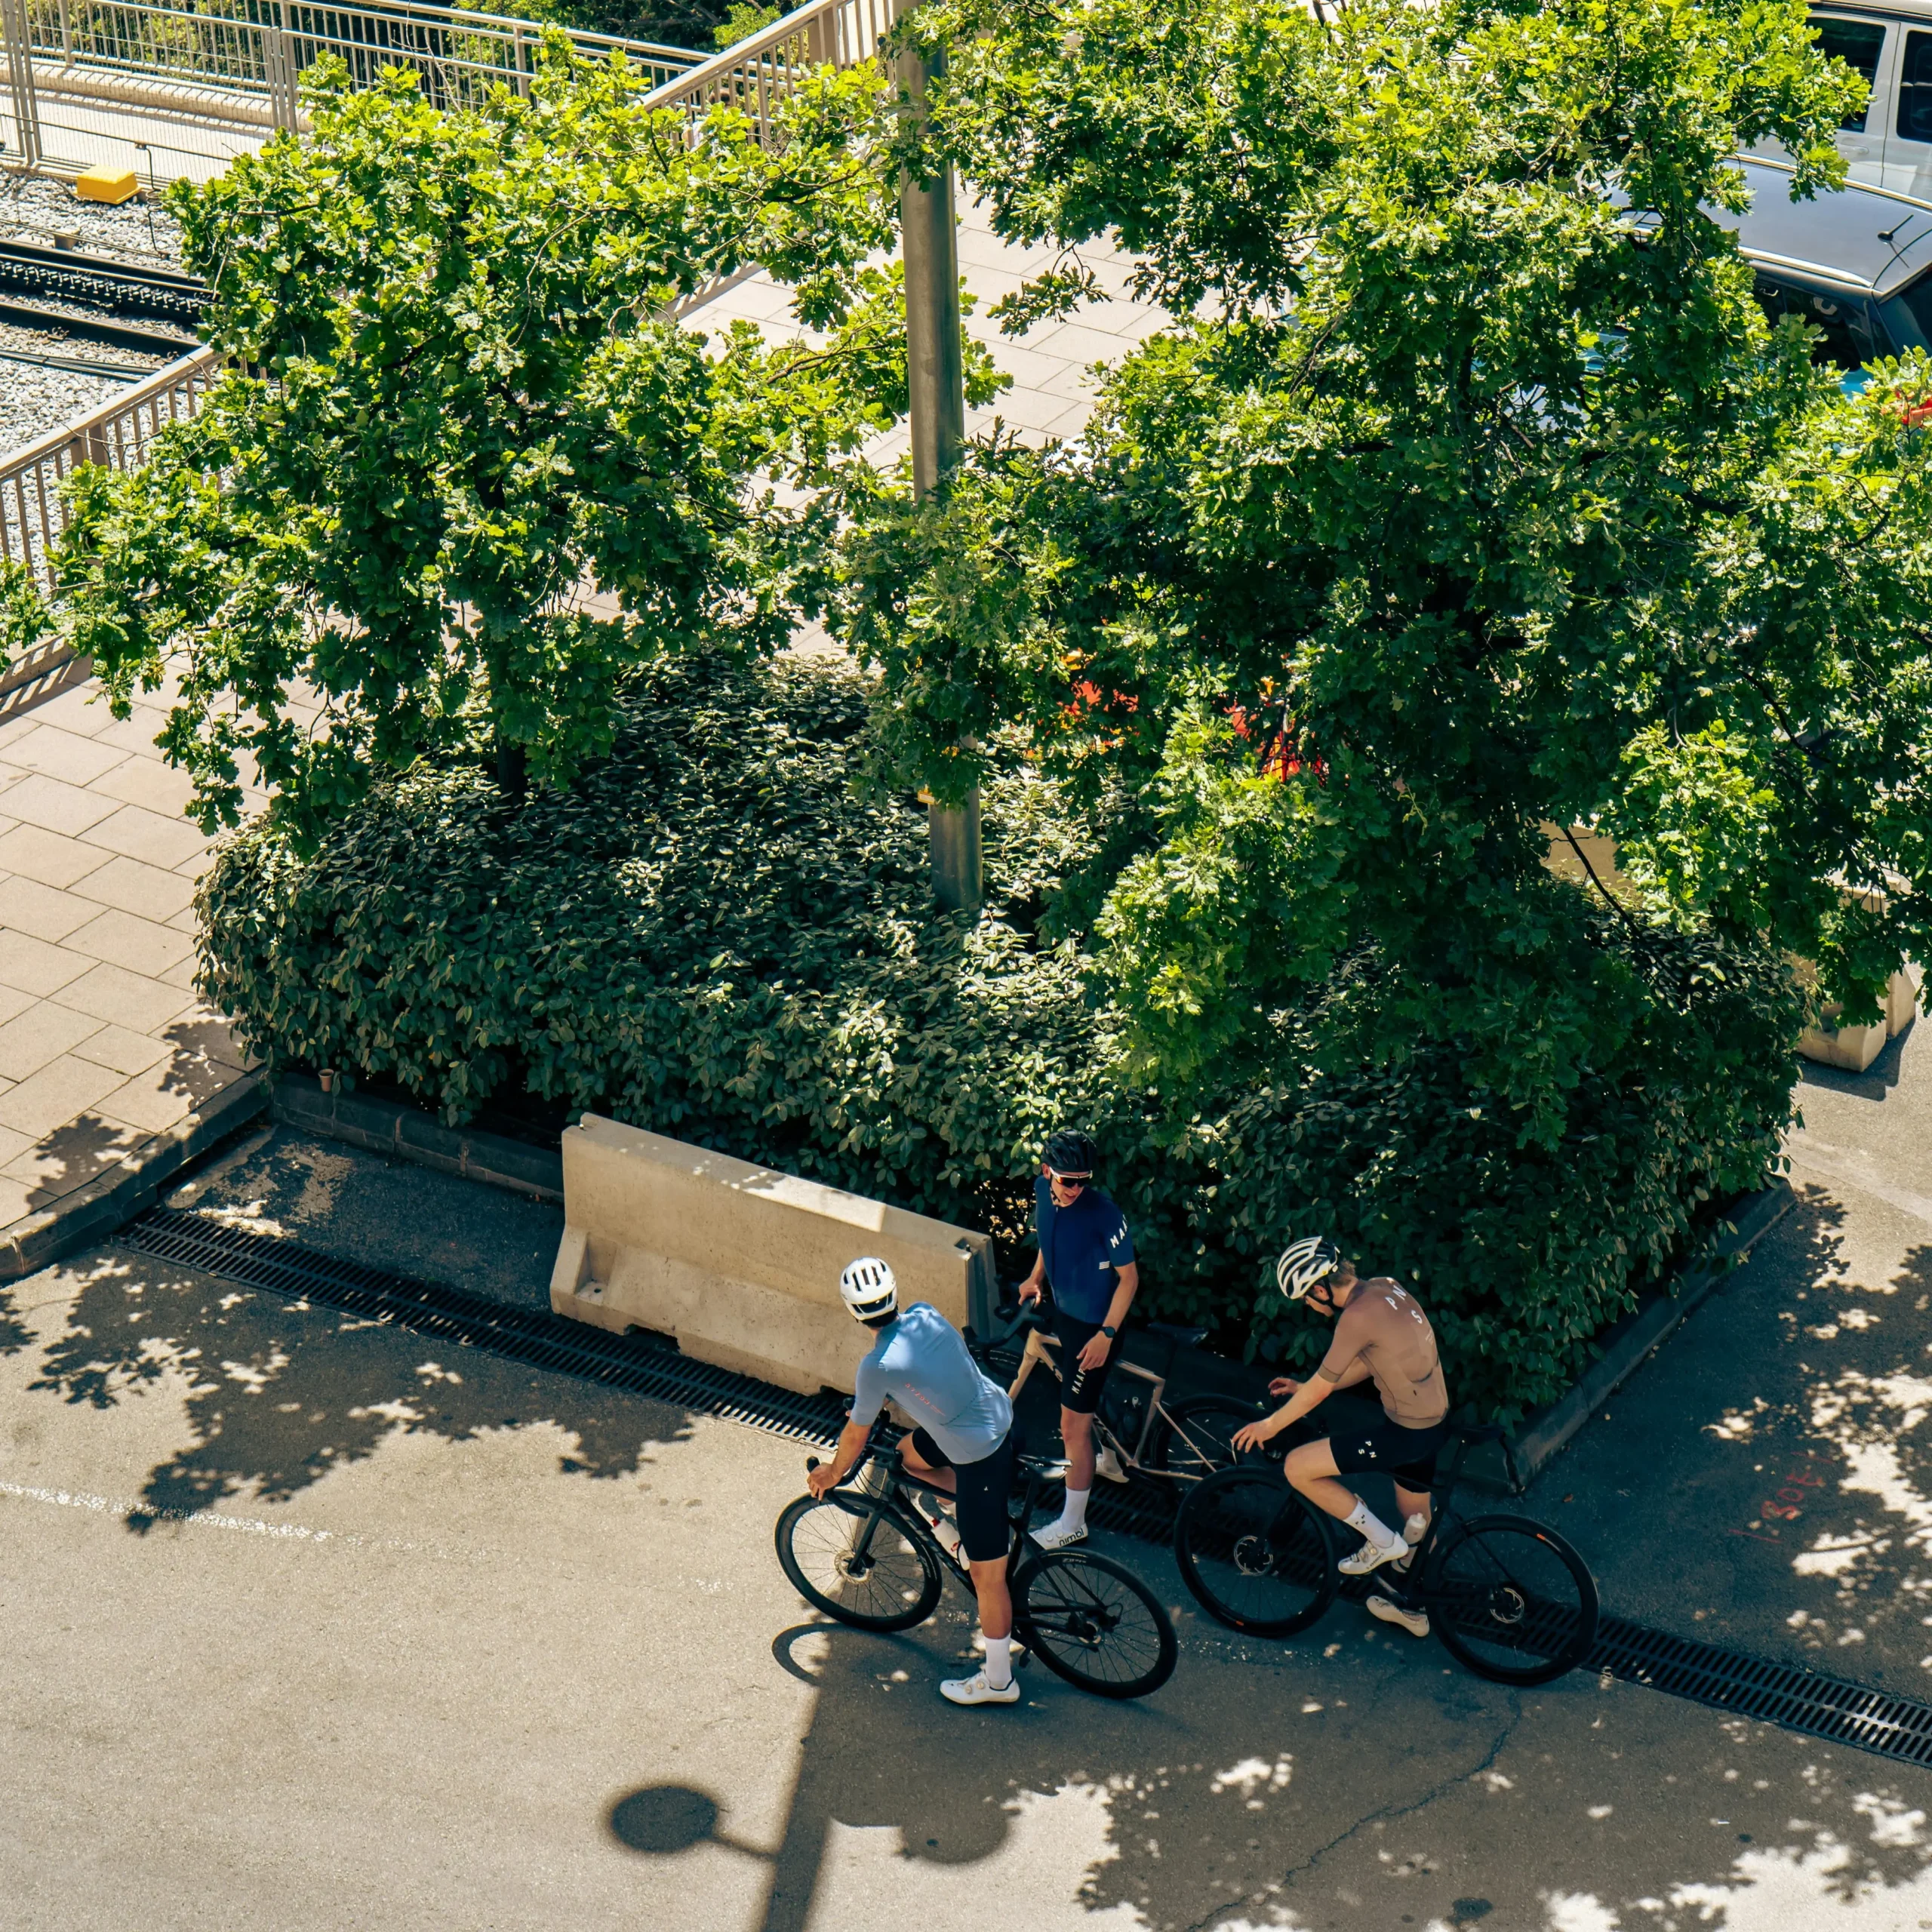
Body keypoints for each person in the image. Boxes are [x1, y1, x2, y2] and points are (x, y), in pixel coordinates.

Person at [807, 1256, 1023, 1706]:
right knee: (904, 1457)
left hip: (980, 1455)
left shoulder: (876, 1366)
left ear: (853, 1312)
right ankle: (958, 1515)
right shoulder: (926, 1314)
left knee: (988, 1578)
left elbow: (855, 1434)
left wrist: (832, 1472)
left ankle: (1000, 1681)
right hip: (998, 1416)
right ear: (895, 1295)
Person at [1231, 1237, 1452, 1638]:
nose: (1309, 1307)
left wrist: (1271, 1425)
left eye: (1306, 1298)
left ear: (1320, 1288)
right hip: (1434, 1422)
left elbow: (1322, 1387)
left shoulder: (1356, 1316)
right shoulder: (1386, 1287)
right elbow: (1369, 1364)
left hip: (1406, 1431)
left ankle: (1380, 1542)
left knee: (1297, 1466)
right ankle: (1418, 1608)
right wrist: (1310, 1386)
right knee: (1417, 1519)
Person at [1016, 1128, 1140, 1549]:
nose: (1075, 1189)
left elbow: (1129, 1279)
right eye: (1068, 1181)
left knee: (1071, 1427)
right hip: (1065, 1314)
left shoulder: (1105, 1214)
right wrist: (1035, 1278)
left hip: (1096, 1330)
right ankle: (1106, 1459)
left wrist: (1107, 1334)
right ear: (1047, 1171)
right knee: (1080, 1412)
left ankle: (1073, 1522)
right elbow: (1046, 1239)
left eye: (1083, 1181)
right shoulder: (1041, 1190)